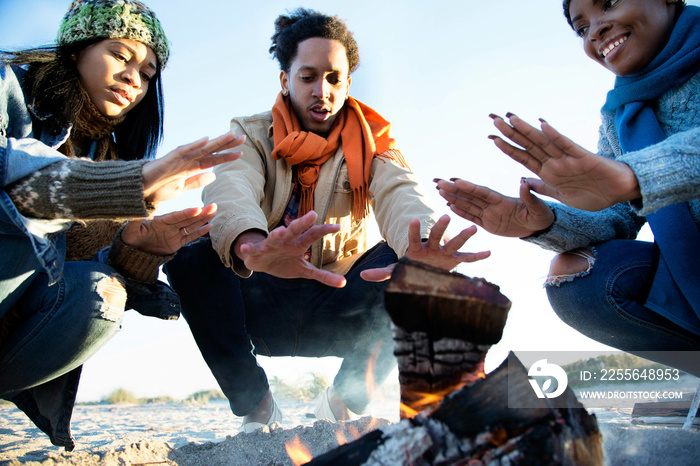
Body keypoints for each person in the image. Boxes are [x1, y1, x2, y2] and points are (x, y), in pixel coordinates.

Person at [164, 8, 490, 432]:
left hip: (339, 300)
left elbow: (401, 195)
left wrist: (421, 249)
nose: (323, 90)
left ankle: (342, 401)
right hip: (262, 298)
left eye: (334, 78)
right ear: (285, 80)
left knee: (418, 271)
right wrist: (251, 244)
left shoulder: (376, 144)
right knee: (192, 255)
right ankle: (257, 405)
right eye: (308, 76)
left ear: (348, 83)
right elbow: (232, 187)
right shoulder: (249, 133)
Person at [0, 0, 244, 450]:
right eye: (120, 55)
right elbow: (11, 183)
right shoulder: (5, 86)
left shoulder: (115, 159)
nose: (135, 79)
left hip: (16, 333)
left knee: (103, 292)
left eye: (148, 73)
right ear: (76, 50)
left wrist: (136, 251)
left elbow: (69, 276)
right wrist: (130, 184)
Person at [435, 0, 700, 375]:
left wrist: (633, 176)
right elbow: (618, 214)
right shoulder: (620, 118)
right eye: (581, 27)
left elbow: (627, 182)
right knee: (577, 277)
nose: (596, 30)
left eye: (608, 4)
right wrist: (544, 223)